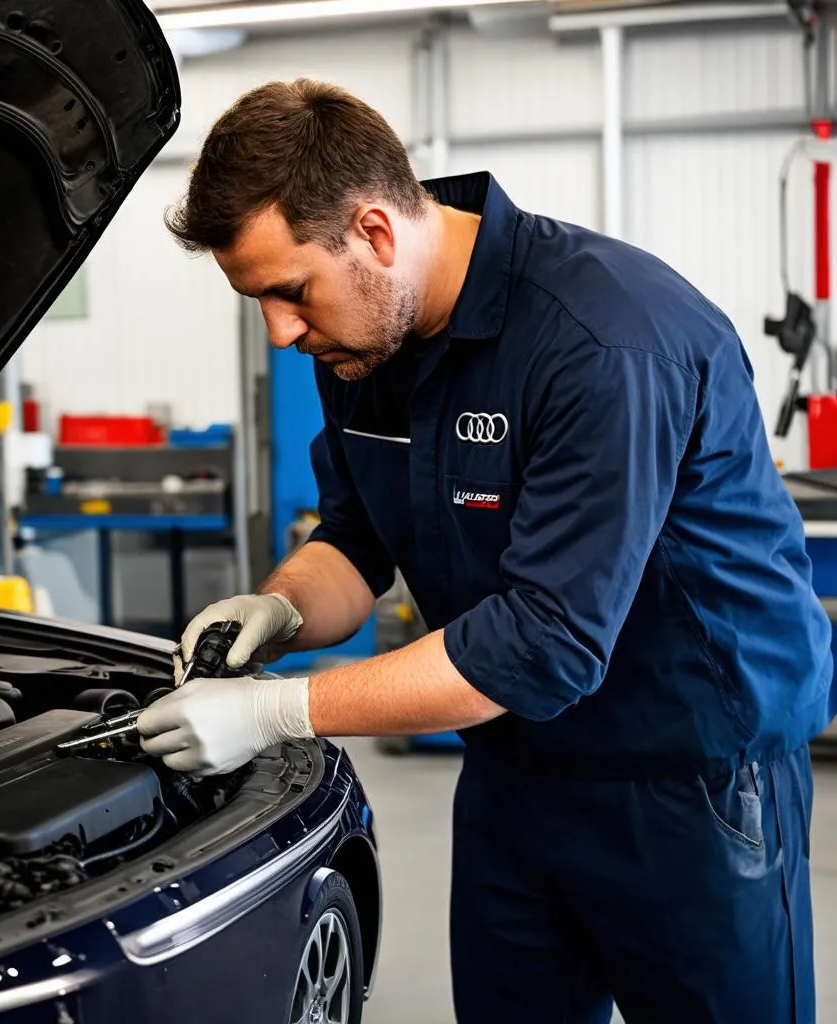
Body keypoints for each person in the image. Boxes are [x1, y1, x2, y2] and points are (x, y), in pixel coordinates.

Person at [137, 78, 834, 1023]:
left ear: (376, 233)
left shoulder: (605, 343)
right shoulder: (364, 345)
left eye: (290, 293)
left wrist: (279, 712)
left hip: (692, 782)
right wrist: (283, 609)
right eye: (257, 302)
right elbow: (354, 538)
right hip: (516, 770)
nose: (282, 332)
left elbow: (546, 640)